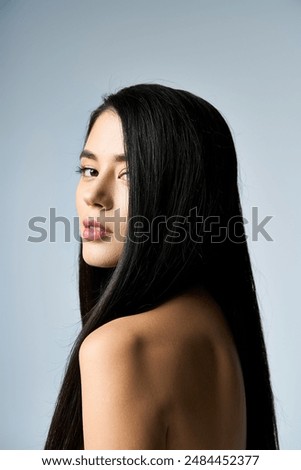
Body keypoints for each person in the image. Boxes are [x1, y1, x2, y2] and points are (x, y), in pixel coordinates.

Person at [45, 84, 279, 450]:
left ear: (184, 193)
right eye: (89, 170)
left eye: (130, 174)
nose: (94, 195)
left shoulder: (120, 348)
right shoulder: (215, 324)